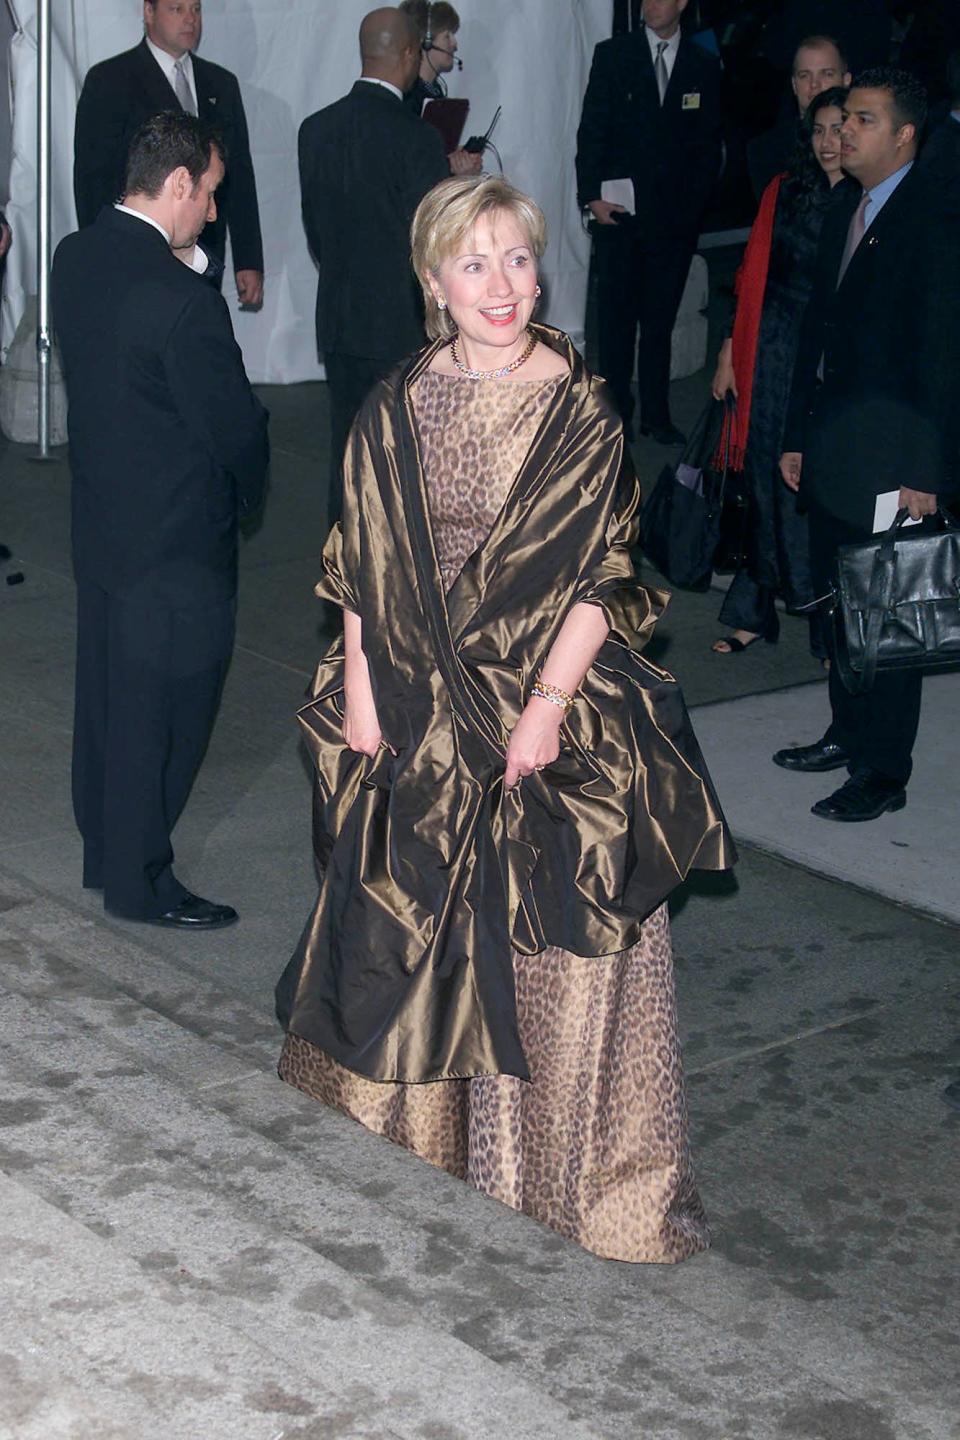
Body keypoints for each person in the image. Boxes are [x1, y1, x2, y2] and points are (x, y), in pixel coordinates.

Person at [275, 174, 735, 1263]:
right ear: (433, 280)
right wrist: (362, 691)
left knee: (552, 950)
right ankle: (415, 1160)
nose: (501, 285)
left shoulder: (577, 405)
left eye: (517, 259)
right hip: (416, 710)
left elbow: (601, 579)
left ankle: (567, 1188)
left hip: (546, 710)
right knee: (403, 936)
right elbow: (360, 562)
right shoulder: (400, 399)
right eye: (473, 263)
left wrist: (545, 711)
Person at [52, 113, 269, 925]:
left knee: (109, 702)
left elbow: (143, 337)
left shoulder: (78, 257)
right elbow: (234, 426)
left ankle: (106, 853)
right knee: (169, 716)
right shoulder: (181, 303)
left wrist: (190, 265)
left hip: (104, 528)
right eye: (208, 194)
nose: (212, 212)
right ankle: (143, 882)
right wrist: (253, 484)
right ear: (178, 183)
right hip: (179, 545)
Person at [776, 69, 960, 821]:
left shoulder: (932, 217)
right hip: (832, 448)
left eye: (863, 118)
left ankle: (883, 772)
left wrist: (927, 472)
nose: (844, 130)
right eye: (844, 116)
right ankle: (848, 735)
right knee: (835, 600)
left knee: (884, 611)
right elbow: (814, 335)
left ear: (905, 134)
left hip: (892, 457)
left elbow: (943, 357)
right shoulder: (848, 204)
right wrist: (793, 437)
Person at [709, 86, 851, 655]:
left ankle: (826, 621)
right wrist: (728, 350)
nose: (827, 142)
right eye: (817, 130)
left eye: (839, 129)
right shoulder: (785, 192)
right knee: (764, 477)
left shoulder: (868, 201)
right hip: (770, 347)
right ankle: (755, 609)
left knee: (816, 484)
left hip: (829, 356)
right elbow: (750, 274)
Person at [299, 7, 448, 531]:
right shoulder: (419, 140)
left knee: (347, 452)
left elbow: (317, 236)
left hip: (340, 320)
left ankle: (343, 574)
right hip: (401, 326)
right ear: (409, 55)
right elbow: (434, 245)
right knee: (403, 464)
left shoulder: (314, 130)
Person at [576, 0, 721, 445]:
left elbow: (708, 144)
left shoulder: (702, 63)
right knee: (616, 322)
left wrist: (692, 211)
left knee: (659, 323)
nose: (650, 5)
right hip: (619, 216)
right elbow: (591, 131)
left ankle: (657, 414)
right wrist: (592, 198)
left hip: (673, 223)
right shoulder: (613, 54)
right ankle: (617, 410)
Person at [73, 0, 264, 308]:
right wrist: (103, 253)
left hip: (205, 254)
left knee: (199, 343)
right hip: (134, 257)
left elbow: (239, 175)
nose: (190, 19)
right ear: (148, 12)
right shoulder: (109, 80)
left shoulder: (221, 84)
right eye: (177, 9)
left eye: (196, 10)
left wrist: (249, 258)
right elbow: (92, 178)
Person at [747, 34, 851, 201]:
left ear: (846, 80)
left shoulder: (868, 143)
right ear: (794, 85)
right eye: (805, 75)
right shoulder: (766, 151)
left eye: (826, 74)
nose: (815, 84)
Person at [399, 0, 482, 176]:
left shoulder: (434, 90)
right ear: (426, 42)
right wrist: (450, 166)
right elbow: (412, 162)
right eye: (447, 36)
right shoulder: (408, 97)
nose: (454, 44)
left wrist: (457, 158)